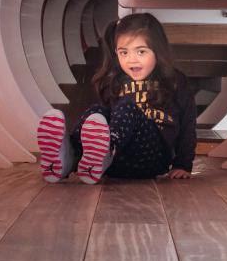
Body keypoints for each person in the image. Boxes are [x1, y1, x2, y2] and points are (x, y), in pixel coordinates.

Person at [36, 13, 196, 184]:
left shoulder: (173, 80)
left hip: (152, 158)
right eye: (123, 52)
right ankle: (70, 156)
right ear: (116, 53)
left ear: (158, 51)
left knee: (127, 106)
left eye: (141, 51)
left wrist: (183, 164)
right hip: (114, 163)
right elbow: (101, 122)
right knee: (97, 111)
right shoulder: (115, 81)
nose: (131, 59)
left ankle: (106, 150)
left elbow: (188, 123)